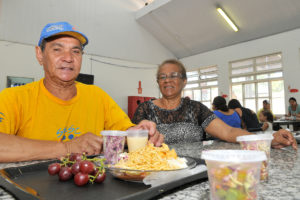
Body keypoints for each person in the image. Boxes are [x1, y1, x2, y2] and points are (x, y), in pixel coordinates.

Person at [0, 22, 163, 163]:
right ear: (39, 54)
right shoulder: (13, 98)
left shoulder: (97, 96)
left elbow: (123, 132)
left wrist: (140, 133)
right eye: (57, 49)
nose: (68, 58)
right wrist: (67, 147)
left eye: (76, 51)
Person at [132, 59, 296, 149]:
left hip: (192, 174)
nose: (167, 80)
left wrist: (267, 140)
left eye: (173, 75)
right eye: (162, 77)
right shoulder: (145, 109)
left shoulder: (196, 109)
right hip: (153, 173)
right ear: (158, 81)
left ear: (184, 81)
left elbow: (229, 131)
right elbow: (130, 140)